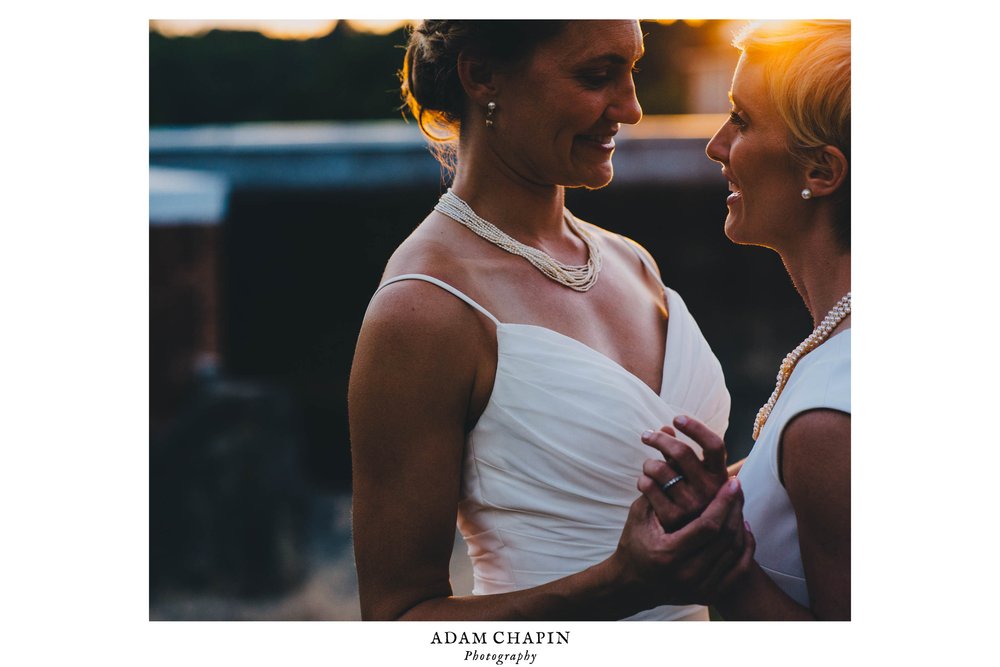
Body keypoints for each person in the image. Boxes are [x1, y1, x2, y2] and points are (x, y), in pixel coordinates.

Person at [349, 20, 750, 621]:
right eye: (596, 76)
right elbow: (397, 622)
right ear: (482, 75)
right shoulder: (424, 309)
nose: (633, 108)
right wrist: (617, 585)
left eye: (632, 71)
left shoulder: (631, 261)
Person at [638, 19, 851, 620]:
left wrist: (717, 560)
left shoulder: (828, 422)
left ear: (821, 172)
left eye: (743, 120)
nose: (715, 145)